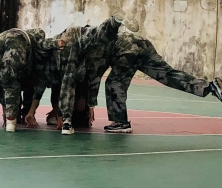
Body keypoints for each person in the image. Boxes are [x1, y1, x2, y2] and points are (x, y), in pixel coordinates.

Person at [82, 31, 222, 133]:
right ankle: (209, 86)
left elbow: (95, 78)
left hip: (127, 48)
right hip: (140, 42)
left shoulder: (89, 50)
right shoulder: (91, 37)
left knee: (114, 83)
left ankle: (121, 122)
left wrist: (90, 106)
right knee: (167, 74)